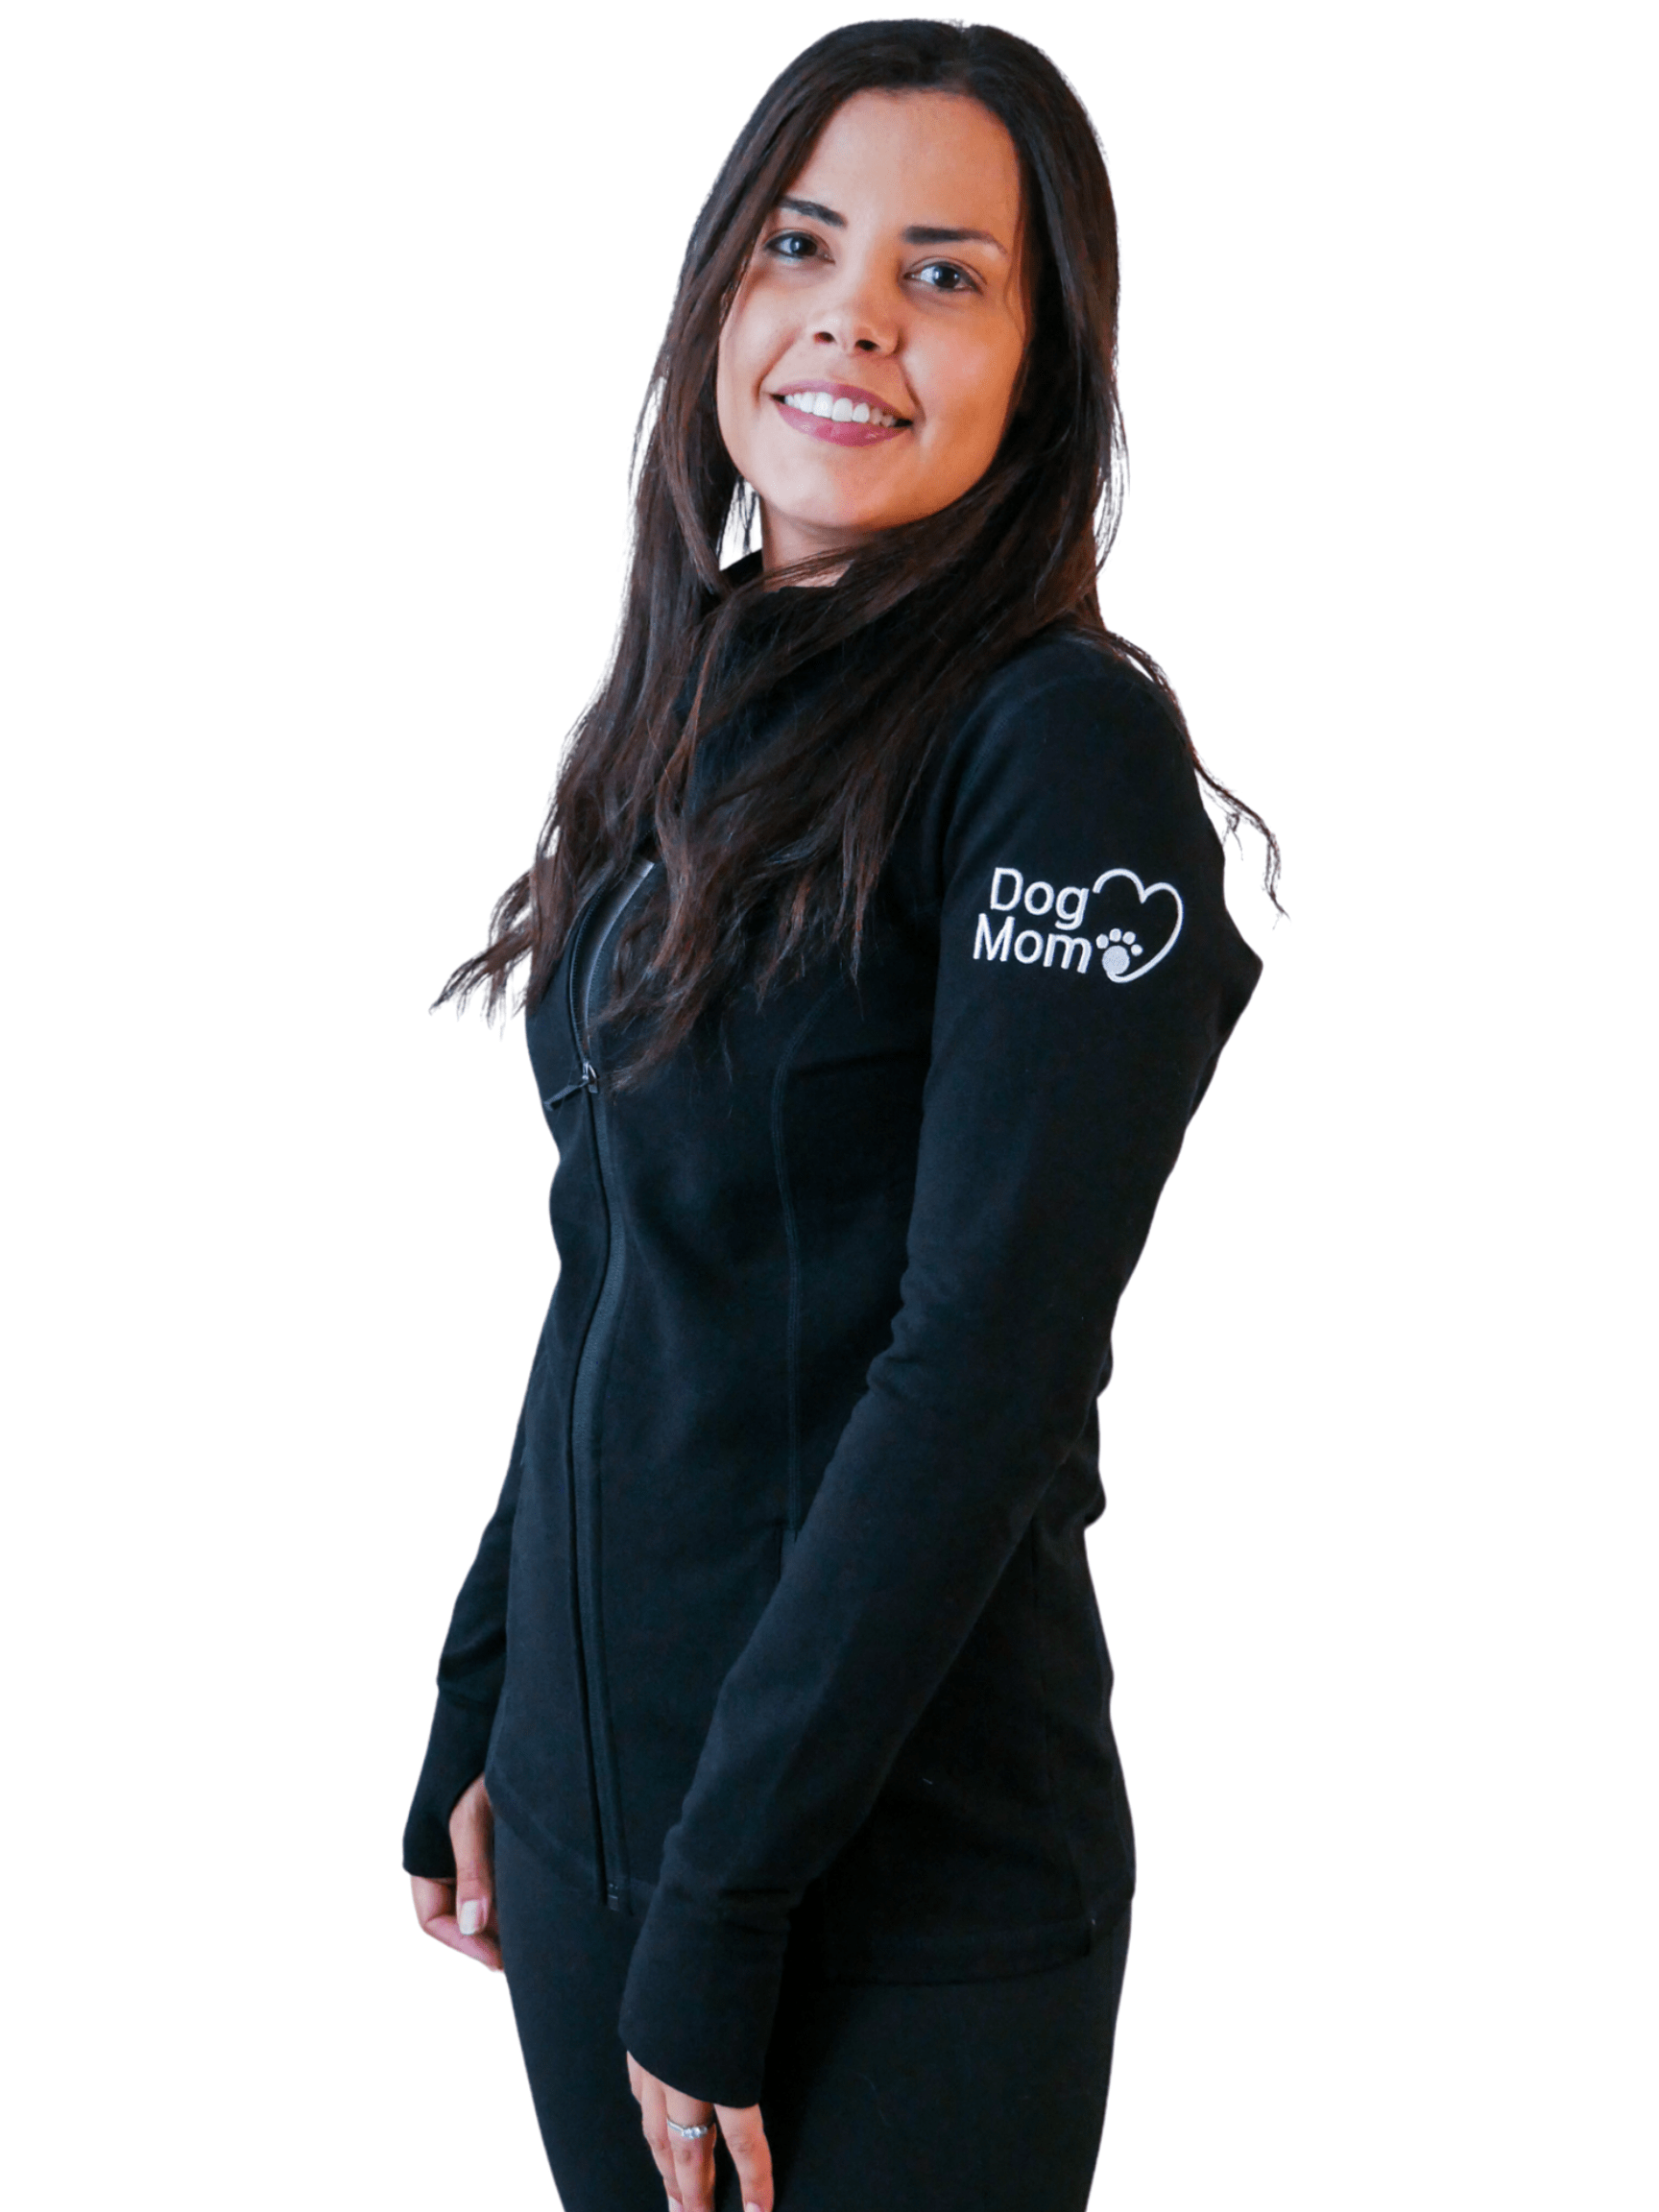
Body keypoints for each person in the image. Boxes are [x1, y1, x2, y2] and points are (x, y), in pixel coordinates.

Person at [402, 20, 1272, 2210]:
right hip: (599, 1838)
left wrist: (730, 1900)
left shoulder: (1058, 758)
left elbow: (980, 1367)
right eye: (801, 244)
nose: (854, 316)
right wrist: (489, 1687)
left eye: (945, 274)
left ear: (1044, 374)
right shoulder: (694, 699)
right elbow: (620, 1260)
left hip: (879, 1911)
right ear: (721, 289)